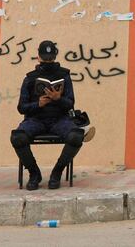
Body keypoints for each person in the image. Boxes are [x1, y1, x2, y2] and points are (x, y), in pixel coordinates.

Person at [10, 40, 84, 190]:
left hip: (59, 119)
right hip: (36, 119)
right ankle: (34, 173)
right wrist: (38, 104)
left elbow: (70, 103)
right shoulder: (30, 78)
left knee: (76, 136)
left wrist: (58, 99)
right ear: (38, 57)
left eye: (50, 58)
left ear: (55, 57)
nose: (47, 61)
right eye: (45, 58)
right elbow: (21, 107)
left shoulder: (65, 76)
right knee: (18, 137)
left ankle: (57, 172)